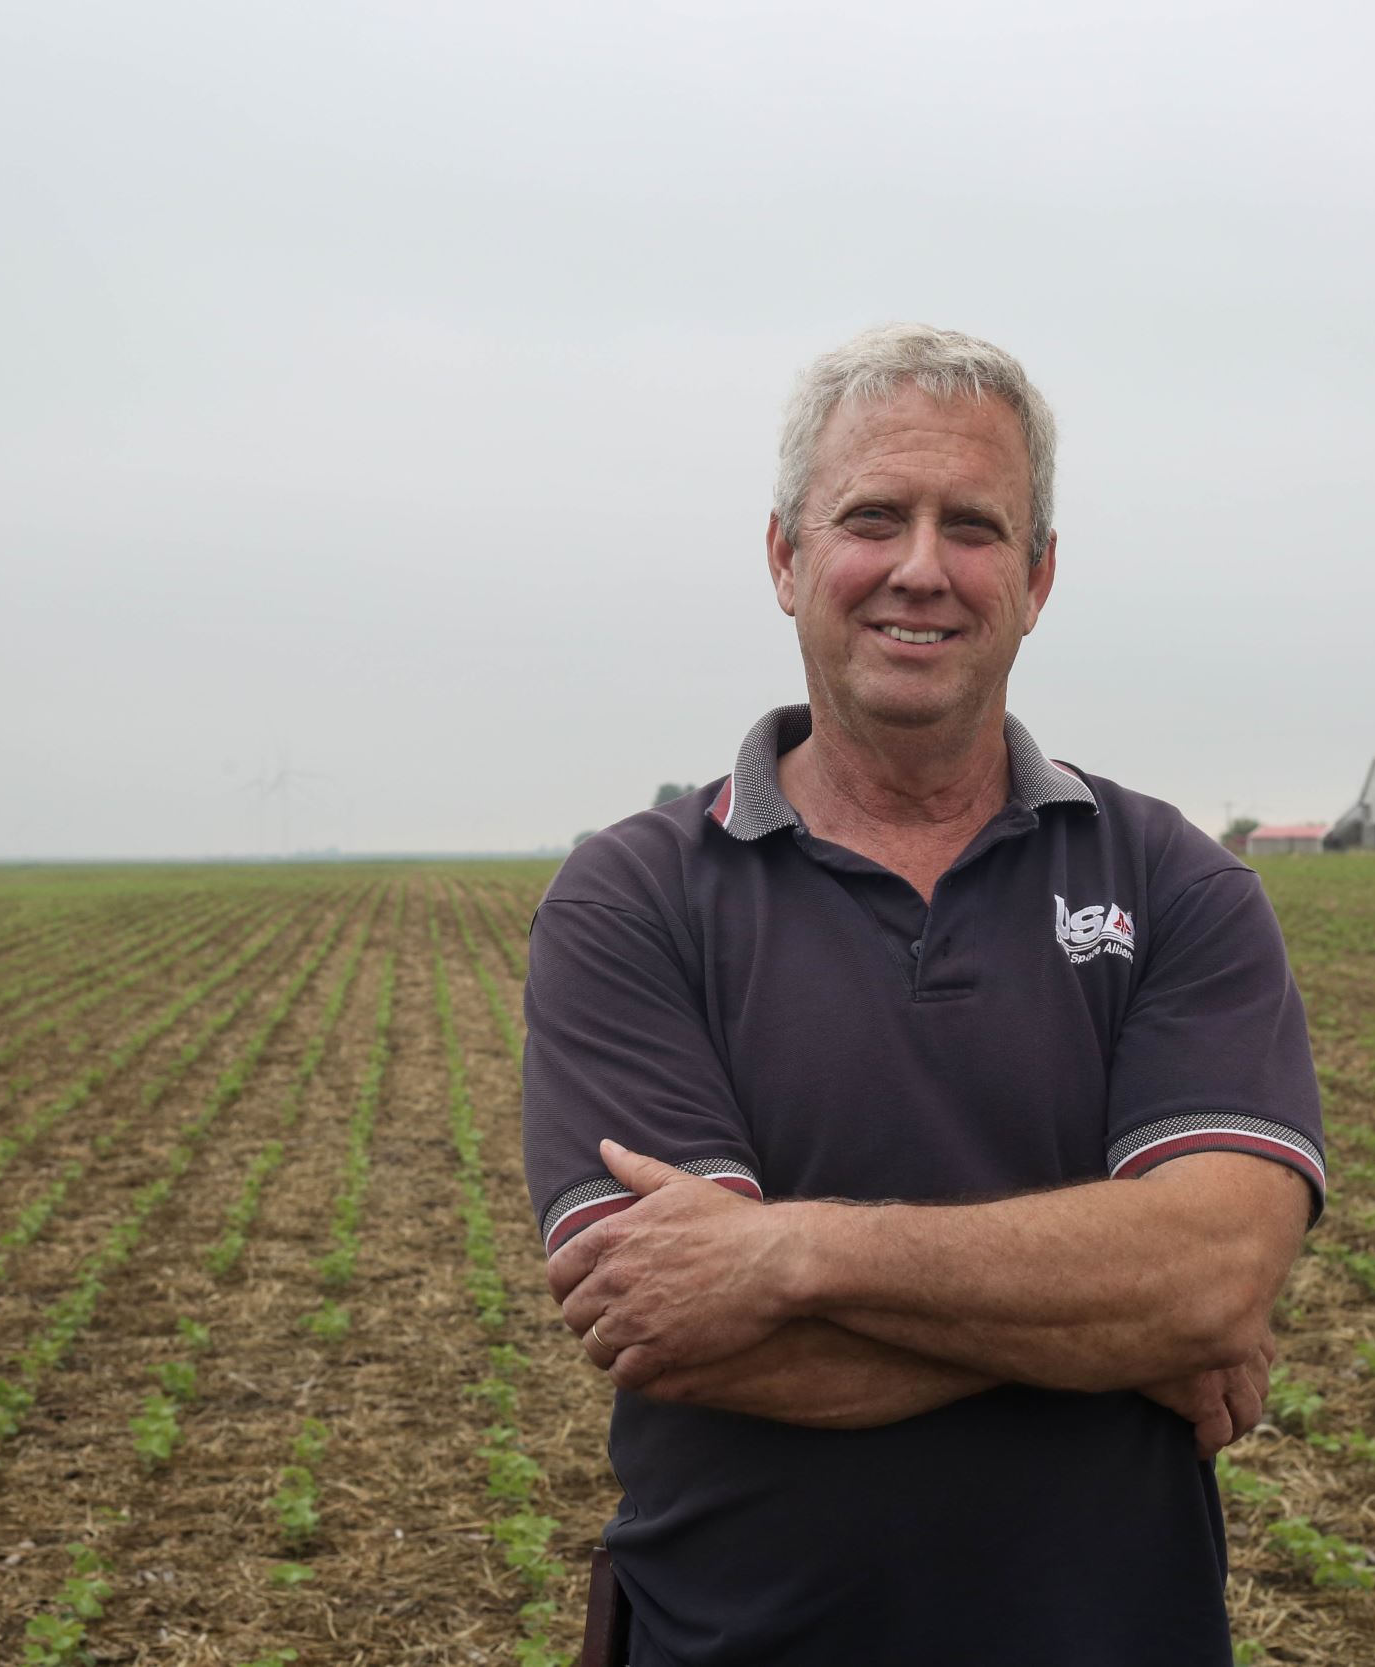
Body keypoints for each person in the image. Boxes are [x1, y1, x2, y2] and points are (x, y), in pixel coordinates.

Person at [524, 323, 1326, 1666]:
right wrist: (1117, 1333)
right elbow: (685, 1334)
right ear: (786, 558)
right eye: (873, 517)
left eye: (974, 526)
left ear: (1038, 576)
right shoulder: (632, 900)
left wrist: (790, 1255)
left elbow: (1213, 1273)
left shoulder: (1177, 880)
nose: (920, 569)